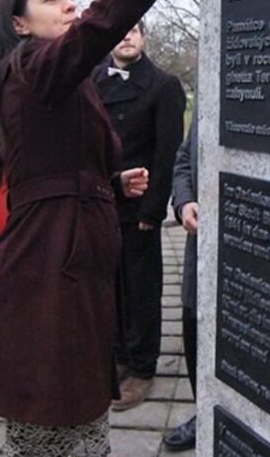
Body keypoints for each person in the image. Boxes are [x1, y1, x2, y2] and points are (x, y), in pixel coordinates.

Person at [0, 0, 197, 456]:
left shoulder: (56, 77)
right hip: (48, 263)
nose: (68, 4)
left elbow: (50, 166)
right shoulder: (33, 66)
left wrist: (110, 185)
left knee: (78, 401)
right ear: (19, 23)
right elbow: (102, 21)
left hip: (70, 254)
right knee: (52, 408)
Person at [91, 23, 186, 410]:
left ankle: (142, 368)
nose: (126, 37)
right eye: (120, 31)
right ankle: (116, 358)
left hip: (140, 207)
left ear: (144, 37)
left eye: (133, 31)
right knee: (106, 285)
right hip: (100, 200)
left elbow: (167, 156)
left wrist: (153, 209)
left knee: (141, 288)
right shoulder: (92, 81)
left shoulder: (164, 86)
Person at [162, 109, 199, 452]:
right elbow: (185, 158)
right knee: (192, 324)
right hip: (199, 243)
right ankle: (204, 410)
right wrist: (184, 201)